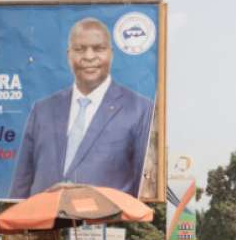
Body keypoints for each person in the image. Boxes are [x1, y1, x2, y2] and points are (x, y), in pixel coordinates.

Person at [10, 17, 154, 198]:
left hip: (107, 221)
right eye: (79, 49)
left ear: (111, 53)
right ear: (68, 54)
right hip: (43, 222)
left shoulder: (140, 109)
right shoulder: (42, 110)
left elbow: (144, 186)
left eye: (98, 48)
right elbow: (21, 184)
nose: (88, 56)